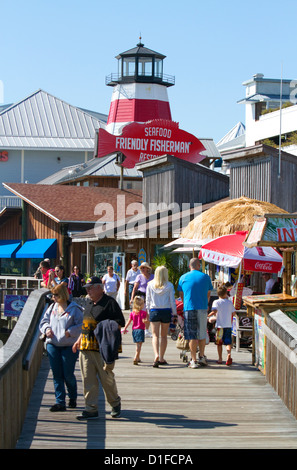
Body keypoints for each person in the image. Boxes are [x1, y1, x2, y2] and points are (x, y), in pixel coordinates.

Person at [72, 276, 125, 420]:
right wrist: (78, 340)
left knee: (106, 379)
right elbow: (85, 327)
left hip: (103, 349)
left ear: (99, 288)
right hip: (86, 346)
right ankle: (91, 409)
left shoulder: (110, 303)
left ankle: (115, 404)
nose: (88, 290)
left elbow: (119, 323)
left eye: (90, 287)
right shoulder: (89, 304)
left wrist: (105, 329)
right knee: (88, 379)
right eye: (87, 288)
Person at [39, 283, 83, 411]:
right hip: (53, 344)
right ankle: (60, 402)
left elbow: (82, 325)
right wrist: (46, 329)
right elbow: (44, 321)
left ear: (63, 294)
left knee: (68, 374)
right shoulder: (52, 307)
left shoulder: (75, 309)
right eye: (53, 295)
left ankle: (73, 396)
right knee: (57, 374)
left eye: (56, 295)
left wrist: (71, 331)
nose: (54, 297)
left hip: (69, 345)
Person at [178, 258, 213, 369]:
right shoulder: (206, 277)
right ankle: (201, 356)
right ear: (199, 265)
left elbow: (181, 295)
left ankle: (193, 360)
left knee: (192, 335)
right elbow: (208, 294)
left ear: (189, 266)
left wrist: (185, 304)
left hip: (189, 308)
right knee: (202, 333)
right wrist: (205, 303)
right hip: (202, 308)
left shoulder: (183, 277)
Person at [146, 266, 177, 368]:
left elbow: (148, 300)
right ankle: (162, 358)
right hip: (166, 311)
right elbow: (172, 301)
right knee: (163, 336)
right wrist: (175, 313)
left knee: (155, 335)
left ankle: (156, 354)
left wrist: (147, 311)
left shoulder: (150, 285)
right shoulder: (169, 285)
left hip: (154, 310)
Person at [208, 284, 235, 366]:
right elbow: (233, 313)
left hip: (219, 326)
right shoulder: (230, 302)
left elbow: (214, 311)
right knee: (228, 343)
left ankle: (220, 359)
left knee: (219, 343)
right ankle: (229, 354)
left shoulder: (216, 302)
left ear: (218, 294)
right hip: (228, 325)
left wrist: (209, 315)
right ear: (226, 293)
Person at [130, 262, 154, 338]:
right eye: (141, 268)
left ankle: (146, 330)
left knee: (148, 313)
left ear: (147, 268)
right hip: (141, 297)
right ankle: (141, 329)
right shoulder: (139, 276)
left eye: (144, 267)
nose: (142, 269)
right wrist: (132, 298)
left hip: (150, 297)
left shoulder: (152, 277)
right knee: (141, 313)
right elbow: (134, 288)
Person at [123, 296, 148, 365]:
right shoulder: (143, 313)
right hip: (140, 330)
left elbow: (129, 321)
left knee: (137, 344)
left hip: (134, 330)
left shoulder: (133, 313)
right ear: (141, 305)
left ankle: (138, 357)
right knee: (139, 345)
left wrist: (125, 328)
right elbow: (144, 321)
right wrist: (147, 321)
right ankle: (136, 356)